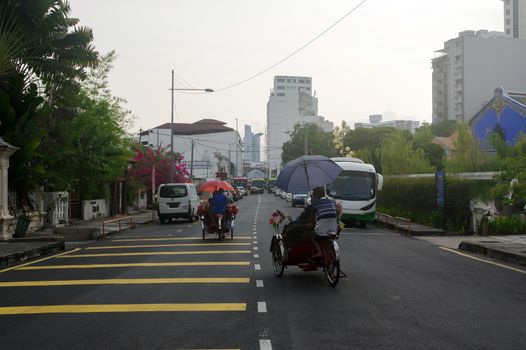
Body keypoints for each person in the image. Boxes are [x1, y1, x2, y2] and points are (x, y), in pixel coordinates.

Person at [310, 186, 338, 257]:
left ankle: (319, 252)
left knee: (313, 237)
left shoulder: (315, 203)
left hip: (321, 230)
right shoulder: (332, 201)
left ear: (315, 194)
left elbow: (312, 220)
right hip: (334, 228)